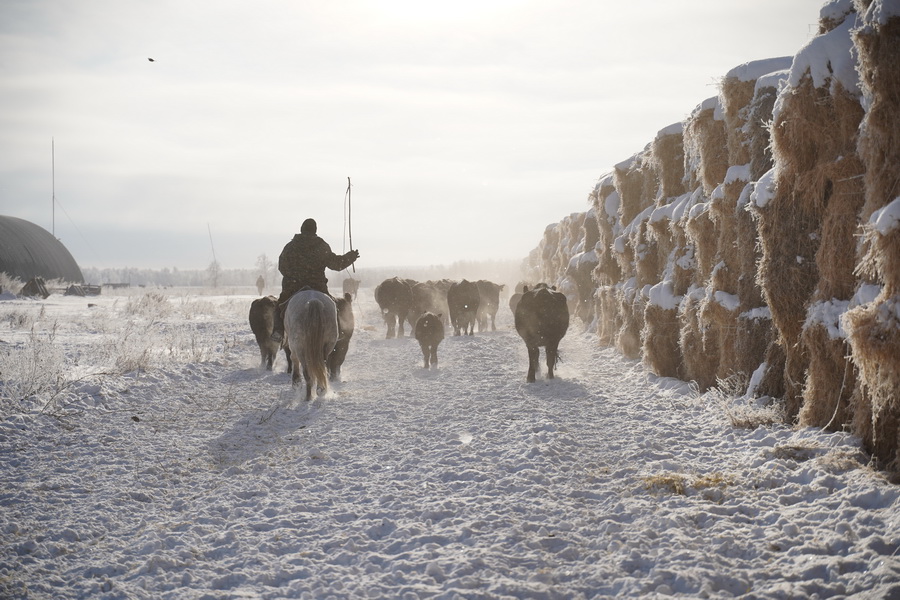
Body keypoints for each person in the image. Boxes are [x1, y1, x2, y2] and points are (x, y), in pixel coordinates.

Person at [271, 218, 360, 342]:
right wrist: (350, 257)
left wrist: (295, 277)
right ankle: (337, 331)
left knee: (279, 306)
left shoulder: (290, 246)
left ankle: (278, 332)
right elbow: (336, 264)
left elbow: (282, 267)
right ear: (315, 230)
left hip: (293, 287)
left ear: (301, 230)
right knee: (333, 307)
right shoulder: (321, 246)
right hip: (317, 287)